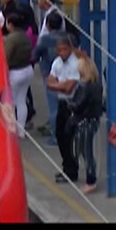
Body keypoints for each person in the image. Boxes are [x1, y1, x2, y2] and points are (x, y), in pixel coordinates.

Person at [67, 50, 103, 194]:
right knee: (87, 150)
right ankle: (91, 178)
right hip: (93, 120)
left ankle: (91, 180)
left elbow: (78, 105)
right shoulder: (97, 85)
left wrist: (69, 103)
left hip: (84, 121)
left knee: (86, 152)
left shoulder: (85, 87)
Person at [47, 35, 80, 183]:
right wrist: (61, 85)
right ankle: (66, 167)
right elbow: (49, 83)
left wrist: (59, 85)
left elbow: (69, 88)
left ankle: (72, 170)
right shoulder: (57, 63)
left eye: (64, 49)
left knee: (68, 138)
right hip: (61, 103)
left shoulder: (75, 64)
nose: (62, 53)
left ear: (70, 48)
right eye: (59, 50)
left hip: (72, 104)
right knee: (60, 136)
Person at [31, 10, 65, 145]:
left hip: (50, 74)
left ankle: (56, 136)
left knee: (54, 107)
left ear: (48, 25)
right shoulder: (69, 37)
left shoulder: (45, 39)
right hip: (67, 75)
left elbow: (35, 53)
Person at [3, 12, 34, 138]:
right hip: (27, 70)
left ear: (10, 24)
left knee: (12, 101)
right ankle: (21, 131)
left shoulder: (12, 38)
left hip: (15, 72)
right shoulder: (25, 36)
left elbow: (6, 56)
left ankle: (11, 130)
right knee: (22, 101)